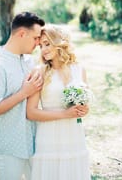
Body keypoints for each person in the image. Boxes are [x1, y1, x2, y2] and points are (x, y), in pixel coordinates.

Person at [0, 12, 45, 180]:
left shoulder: (30, 62)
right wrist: (24, 93)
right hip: (10, 146)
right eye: (36, 38)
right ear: (22, 34)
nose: (38, 44)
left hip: (33, 142)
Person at [27, 25, 91, 180]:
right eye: (41, 45)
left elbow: (85, 104)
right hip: (48, 136)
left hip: (73, 134)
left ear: (59, 43)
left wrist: (84, 110)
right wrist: (64, 114)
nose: (43, 49)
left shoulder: (79, 69)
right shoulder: (40, 72)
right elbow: (31, 112)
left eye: (47, 44)